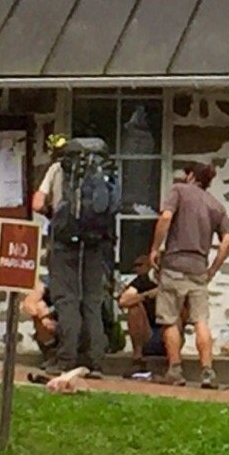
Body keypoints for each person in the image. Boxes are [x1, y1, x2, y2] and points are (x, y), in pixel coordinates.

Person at [32, 134, 114, 380]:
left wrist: (52, 214)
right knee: (92, 301)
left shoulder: (58, 169)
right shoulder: (103, 171)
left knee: (66, 300)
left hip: (65, 242)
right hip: (95, 243)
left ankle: (66, 360)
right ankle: (96, 363)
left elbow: (37, 203)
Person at [147, 163, 229, 389]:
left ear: (191, 176)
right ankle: (207, 371)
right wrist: (213, 268)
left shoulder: (178, 191)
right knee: (200, 320)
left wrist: (155, 248)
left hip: (174, 264)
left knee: (170, 319)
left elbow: (166, 218)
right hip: (199, 268)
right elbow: (228, 240)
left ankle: (175, 370)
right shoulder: (216, 205)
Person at [118, 249, 165, 380]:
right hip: (147, 331)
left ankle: (174, 364)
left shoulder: (177, 281)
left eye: (139, 265)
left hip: (168, 329)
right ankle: (137, 358)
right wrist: (147, 295)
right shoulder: (143, 280)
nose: (135, 269)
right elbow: (123, 301)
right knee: (134, 308)